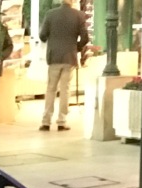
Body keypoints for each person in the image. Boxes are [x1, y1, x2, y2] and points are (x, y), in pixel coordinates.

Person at [39, 0, 87, 131]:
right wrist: (76, 47)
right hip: (69, 57)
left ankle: (46, 121)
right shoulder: (79, 15)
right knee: (65, 89)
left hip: (54, 56)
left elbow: (42, 36)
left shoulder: (50, 14)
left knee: (51, 89)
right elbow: (85, 38)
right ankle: (62, 121)